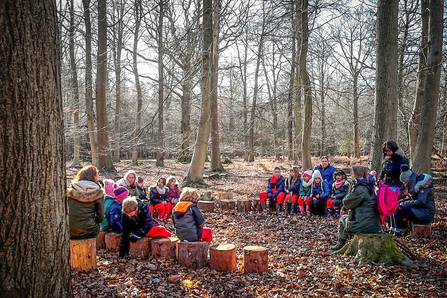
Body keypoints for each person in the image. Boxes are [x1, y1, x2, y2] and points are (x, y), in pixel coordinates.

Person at [331, 165, 382, 250]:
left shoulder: (360, 188)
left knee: (343, 218)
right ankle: (346, 242)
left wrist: (344, 206)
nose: (350, 174)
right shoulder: (368, 184)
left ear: (356, 174)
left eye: (352, 172)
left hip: (364, 223)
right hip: (373, 222)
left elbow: (347, 201)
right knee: (345, 217)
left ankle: (341, 244)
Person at [392, 166, 435, 235]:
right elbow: (413, 199)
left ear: (410, 181)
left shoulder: (423, 187)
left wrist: (405, 203)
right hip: (419, 210)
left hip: (425, 213)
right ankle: (396, 229)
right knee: (396, 207)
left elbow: (421, 202)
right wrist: (402, 201)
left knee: (400, 209)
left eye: (405, 183)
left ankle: (398, 231)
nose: (405, 185)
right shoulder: (416, 187)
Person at [68, 165, 105, 239]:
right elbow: (100, 217)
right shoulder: (98, 192)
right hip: (89, 231)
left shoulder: (70, 190)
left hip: (69, 230)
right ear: (93, 177)